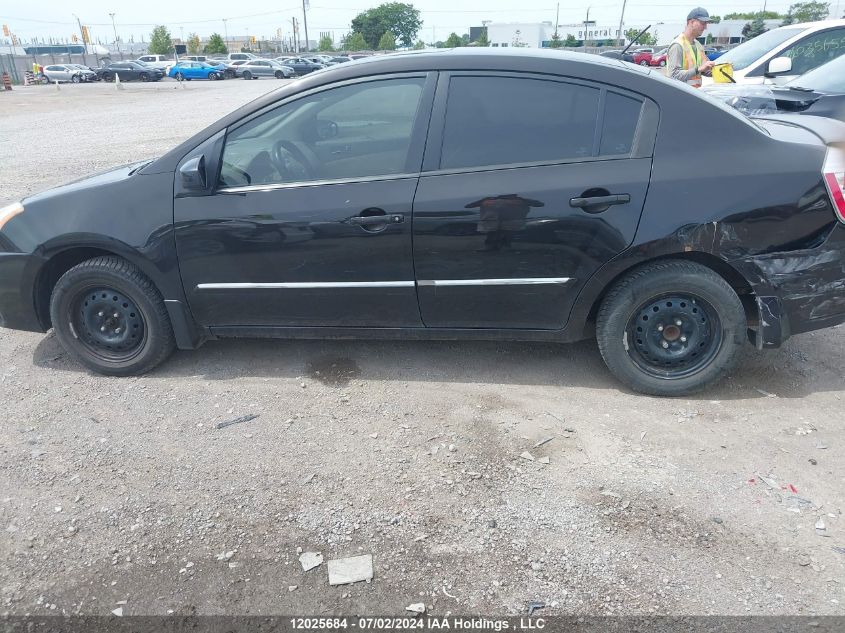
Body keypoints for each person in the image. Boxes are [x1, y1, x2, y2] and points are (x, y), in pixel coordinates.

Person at [666, 7, 715, 87]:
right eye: (703, 23)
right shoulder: (677, 45)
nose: (705, 27)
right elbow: (673, 75)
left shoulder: (698, 45)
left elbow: (704, 70)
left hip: (694, 95)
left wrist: (721, 70)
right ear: (691, 22)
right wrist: (698, 69)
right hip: (679, 96)